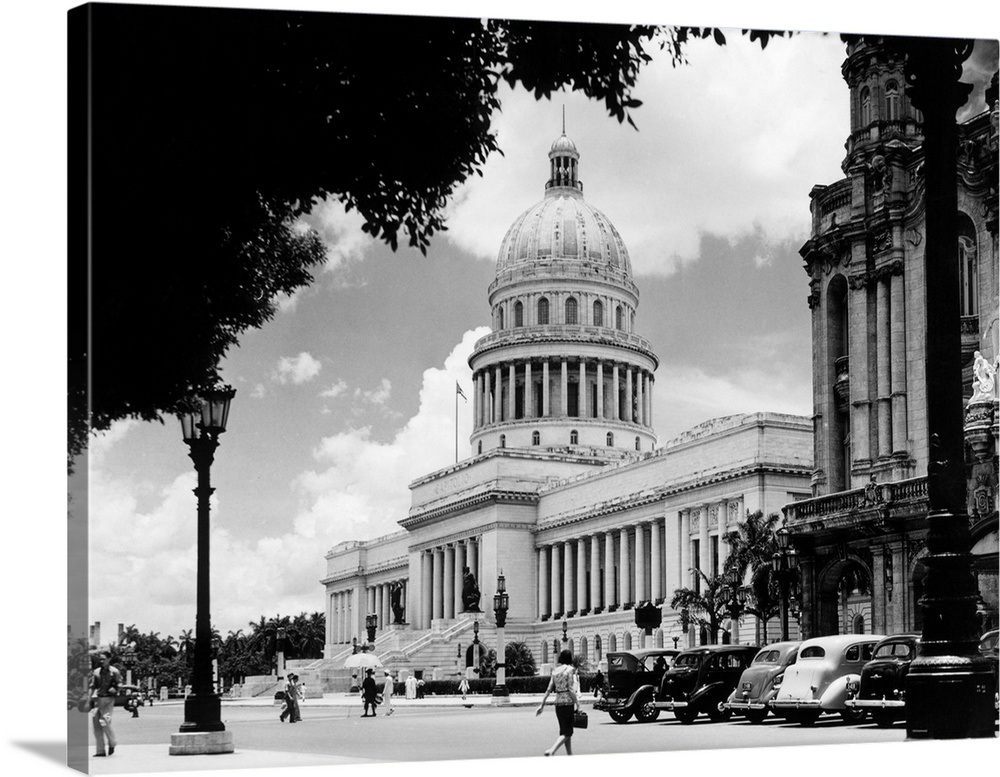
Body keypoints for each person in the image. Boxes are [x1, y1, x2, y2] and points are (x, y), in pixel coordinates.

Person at [535, 649, 579, 756]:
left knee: (564, 731)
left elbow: (549, 689)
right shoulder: (570, 670)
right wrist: (578, 703)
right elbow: (571, 689)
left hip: (558, 703)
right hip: (568, 703)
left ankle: (570, 754)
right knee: (568, 732)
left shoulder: (555, 671)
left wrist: (542, 705)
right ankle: (552, 750)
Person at [90, 652, 122, 757]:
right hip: (98, 700)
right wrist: (90, 699)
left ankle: (112, 743)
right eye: (100, 659)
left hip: (108, 700)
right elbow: (93, 686)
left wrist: (116, 689)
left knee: (105, 722)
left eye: (103, 659)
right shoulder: (96, 672)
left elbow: (119, 684)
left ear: (109, 659)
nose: (101, 661)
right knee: (96, 725)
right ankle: (100, 751)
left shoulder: (114, 672)